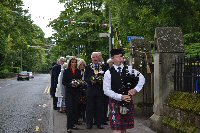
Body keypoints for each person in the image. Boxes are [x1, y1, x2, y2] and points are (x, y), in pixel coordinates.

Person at [103, 49, 145, 133]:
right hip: (115, 102)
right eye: (117, 56)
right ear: (112, 58)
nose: (119, 58)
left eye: (121, 56)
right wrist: (120, 97)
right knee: (117, 129)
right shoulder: (108, 73)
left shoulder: (129, 70)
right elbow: (106, 90)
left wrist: (135, 89)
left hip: (127, 102)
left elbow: (142, 78)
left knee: (123, 128)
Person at [85, 52, 106, 129]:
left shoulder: (103, 66)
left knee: (99, 107)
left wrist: (101, 80)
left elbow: (107, 77)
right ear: (91, 58)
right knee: (89, 107)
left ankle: (99, 123)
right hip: (90, 91)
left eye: (96, 57)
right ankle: (89, 123)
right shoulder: (88, 67)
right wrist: (91, 81)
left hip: (100, 90)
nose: (95, 58)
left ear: (99, 58)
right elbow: (85, 78)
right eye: (93, 57)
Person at [62, 57, 82, 133]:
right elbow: (63, 82)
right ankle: (68, 127)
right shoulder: (66, 71)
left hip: (76, 93)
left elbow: (80, 81)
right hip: (69, 93)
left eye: (75, 62)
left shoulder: (78, 71)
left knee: (75, 110)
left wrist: (78, 83)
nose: (73, 64)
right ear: (70, 63)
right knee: (69, 110)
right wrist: (71, 84)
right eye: (72, 62)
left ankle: (73, 124)